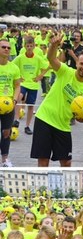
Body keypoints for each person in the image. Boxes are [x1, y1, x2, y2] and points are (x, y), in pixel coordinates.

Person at [30, 33, 83, 167]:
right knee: (43, 160)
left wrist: (82, 117)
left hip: (63, 126)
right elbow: (51, 58)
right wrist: (54, 45)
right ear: (77, 63)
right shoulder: (65, 71)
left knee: (66, 162)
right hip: (45, 118)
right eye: (81, 63)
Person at [12, 36, 48, 137]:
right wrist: (18, 77)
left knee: (30, 106)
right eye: (27, 46)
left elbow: (47, 66)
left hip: (33, 85)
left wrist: (40, 76)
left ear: (34, 46)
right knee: (18, 97)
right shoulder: (20, 57)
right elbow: (12, 66)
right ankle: (16, 119)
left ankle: (27, 126)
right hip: (23, 84)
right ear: (24, 46)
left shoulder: (37, 58)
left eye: (31, 46)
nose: (29, 48)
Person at [0, 38, 21, 167]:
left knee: (6, 132)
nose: (7, 49)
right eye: (3, 47)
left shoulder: (14, 67)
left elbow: (17, 85)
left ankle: (5, 159)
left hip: (8, 105)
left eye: (8, 47)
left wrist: (14, 100)